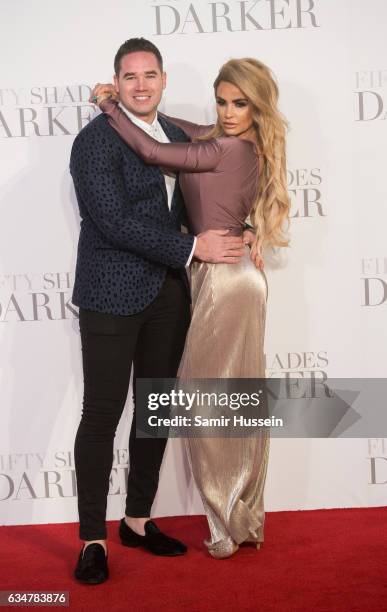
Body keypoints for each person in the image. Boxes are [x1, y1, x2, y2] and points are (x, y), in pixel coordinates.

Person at [92, 56, 290, 559]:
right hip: (215, 272)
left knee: (214, 404)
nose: (227, 112)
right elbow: (177, 128)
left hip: (229, 280)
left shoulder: (229, 147)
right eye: (222, 101)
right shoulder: (222, 136)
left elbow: (154, 148)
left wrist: (111, 105)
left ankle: (228, 520)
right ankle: (239, 514)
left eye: (239, 103)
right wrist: (139, 105)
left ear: (258, 106)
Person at [70, 38, 247, 585]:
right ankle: (92, 539)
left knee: (156, 408)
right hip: (109, 292)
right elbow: (112, 222)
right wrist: (193, 249)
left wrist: (247, 232)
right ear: (116, 83)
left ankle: (138, 520)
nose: (141, 85)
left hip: (169, 294)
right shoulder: (93, 142)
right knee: (102, 414)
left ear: (164, 80)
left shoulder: (177, 134)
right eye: (130, 77)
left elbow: (217, 191)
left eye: (150, 75)